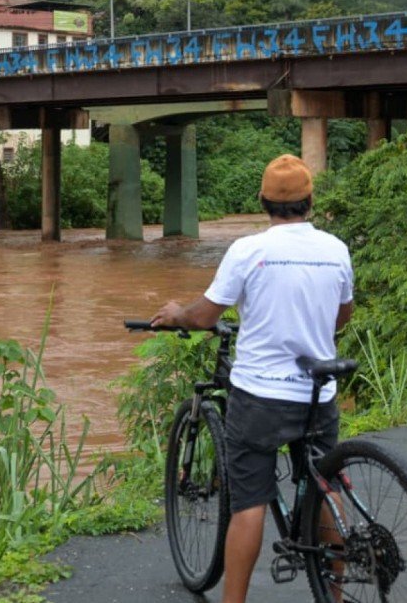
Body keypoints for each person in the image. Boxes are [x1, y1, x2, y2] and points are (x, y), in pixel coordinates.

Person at [150, 153, 354, 603]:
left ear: (262, 200)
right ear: (310, 200)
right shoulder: (335, 250)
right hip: (318, 393)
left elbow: (206, 315)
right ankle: (335, 596)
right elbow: (341, 319)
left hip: (260, 396)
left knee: (248, 504)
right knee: (325, 485)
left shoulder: (249, 250)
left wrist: (177, 314)